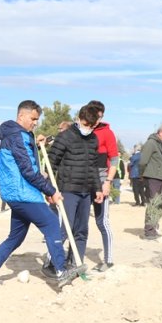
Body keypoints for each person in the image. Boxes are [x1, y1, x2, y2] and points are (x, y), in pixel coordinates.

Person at [0, 100, 78, 289]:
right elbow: (28, 171)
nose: (35, 123)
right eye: (33, 119)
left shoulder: (15, 135)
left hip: (14, 194)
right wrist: (50, 191)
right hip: (24, 194)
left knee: (15, 238)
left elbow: (25, 162)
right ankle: (61, 271)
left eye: (37, 120)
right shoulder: (19, 136)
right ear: (21, 115)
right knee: (51, 224)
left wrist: (37, 144)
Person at [47, 104, 102, 268]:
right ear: (79, 119)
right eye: (86, 125)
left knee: (81, 231)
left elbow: (93, 166)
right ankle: (52, 263)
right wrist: (49, 189)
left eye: (92, 126)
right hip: (68, 190)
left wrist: (97, 188)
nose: (88, 129)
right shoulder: (65, 137)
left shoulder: (93, 139)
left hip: (86, 192)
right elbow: (51, 164)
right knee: (64, 229)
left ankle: (75, 263)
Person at [89, 101, 118, 271]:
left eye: (100, 116)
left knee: (102, 221)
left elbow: (114, 159)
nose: (97, 120)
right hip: (81, 182)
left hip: (101, 181)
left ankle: (108, 259)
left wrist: (108, 181)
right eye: (95, 116)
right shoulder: (80, 131)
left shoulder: (107, 133)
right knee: (77, 223)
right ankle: (72, 259)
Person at [139, 124, 162, 240]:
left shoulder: (160, 145)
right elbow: (143, 161)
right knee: (153, 204)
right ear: (161, 132)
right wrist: (142, 175)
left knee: (160, 205)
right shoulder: (151, 143)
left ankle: (153, 228)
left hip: (160, 178)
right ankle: (149, 231)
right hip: (152, 178)